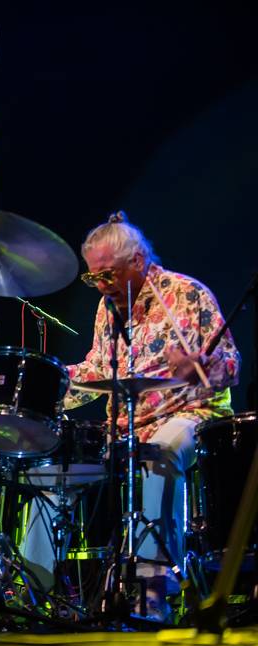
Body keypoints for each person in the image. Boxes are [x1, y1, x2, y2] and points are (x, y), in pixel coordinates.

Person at [19, 212, 240, 621]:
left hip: (189, 415)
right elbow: (97, 369)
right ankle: (35, 596)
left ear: (137, 260)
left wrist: (203, 368)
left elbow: (230, 363)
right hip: (123, 426)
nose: (101, 285)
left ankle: (151, 590)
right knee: (51, 470)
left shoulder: (188, 293)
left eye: (107, 275)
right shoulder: (107, 307)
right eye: (92, 278)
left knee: (159, 450)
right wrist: (41, 384)